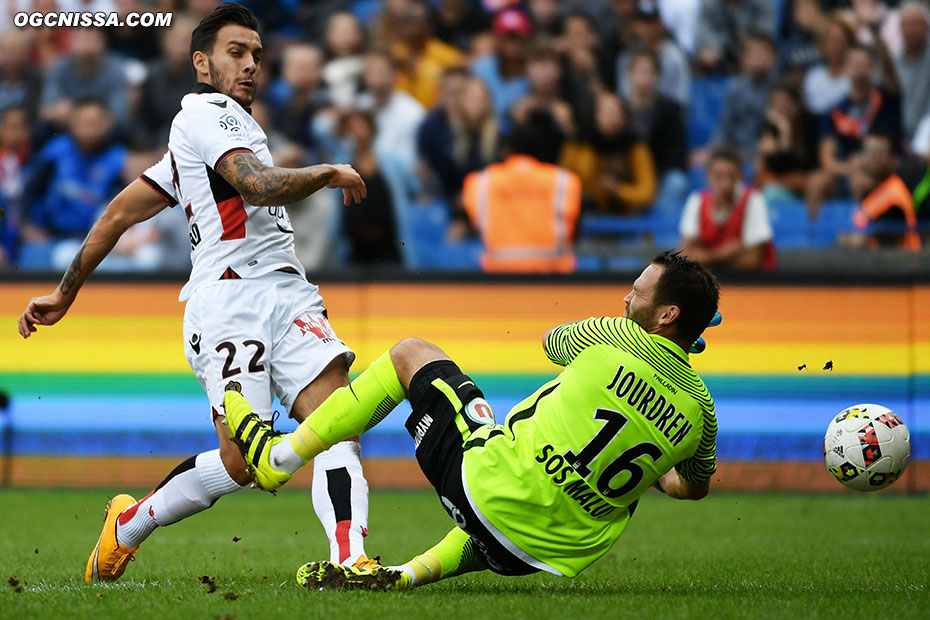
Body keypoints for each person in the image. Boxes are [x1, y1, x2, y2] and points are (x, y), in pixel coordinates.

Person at [17, 4, 374, 583]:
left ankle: (349, 561)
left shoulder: (199, 139)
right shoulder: (206, 115)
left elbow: (116, 214)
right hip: (230, 302)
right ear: (202, 62)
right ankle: (130, 523)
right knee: (242, 465)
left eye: (257, 54)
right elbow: (256, 187)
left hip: (287, 292)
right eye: (237, 52)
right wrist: (329, 171)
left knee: (336, 418)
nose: (251, 64)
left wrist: (64, 294)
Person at [220, 250, 720, 591]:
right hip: (537, 556)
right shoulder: (701, 412)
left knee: (411, 354)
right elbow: (690, 489)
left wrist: (628, 330)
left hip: (482, 490)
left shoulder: (616, 335)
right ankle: (405, 576)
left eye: (636, 293)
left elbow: (554, 343)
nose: (625, 300)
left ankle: (276, 458)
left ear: (666, 315)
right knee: (520, 506)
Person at [462, 110, 581, 273]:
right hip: (554, 280)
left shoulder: (480, 182)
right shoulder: (565, 181)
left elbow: (473, 222)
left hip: (498, 280)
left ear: (507, 150)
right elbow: (576, 229)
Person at [680, 146, 777, 271]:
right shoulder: (696, 201)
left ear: (741, 176)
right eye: (719, 176)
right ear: (708, 176)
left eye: (731, 176)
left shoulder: (753, 200)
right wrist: (724, 254)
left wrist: (704, 257)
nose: (726, 183)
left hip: (751, 285)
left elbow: (753, 260)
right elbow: (685, 256)